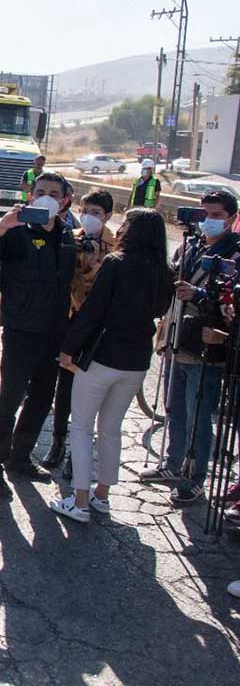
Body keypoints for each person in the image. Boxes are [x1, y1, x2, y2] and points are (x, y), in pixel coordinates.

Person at [50, 209, 174, 522]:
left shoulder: (116, 263)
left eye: (126, 224)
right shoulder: (163, 270)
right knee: (110, 429)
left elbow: (93, 310)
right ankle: (101, 495)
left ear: (134, 230)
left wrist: (68, 348)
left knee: (80, 426)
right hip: (135, 361)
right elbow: (161, 308)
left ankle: (78, 501)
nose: (120, 229)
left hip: (102, 356)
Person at [0, 171, 77, 498]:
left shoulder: (65, 233)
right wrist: (1, 228)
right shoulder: (16, 229)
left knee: (42, 398)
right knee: (11, 397)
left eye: (53, 192)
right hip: (21, 328)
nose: (46, 196)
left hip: (54, 331)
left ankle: (19, 458)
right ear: (31, 195)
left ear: (63, 200)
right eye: (41, 191)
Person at [141, 190, 240, 504]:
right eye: (204, 214)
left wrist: (196, 294)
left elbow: (230, 302)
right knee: (175, 409)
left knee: (198, 414)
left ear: (232, 218)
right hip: (177, 338)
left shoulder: (235, 254)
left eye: (216, 216)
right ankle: (173, 464)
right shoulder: (191, 245)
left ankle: (194, 477)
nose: (208, 221)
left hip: (207, 346)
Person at [41, 188, 116, 470]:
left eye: (96, 213)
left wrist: (96, 260)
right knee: (64, 389)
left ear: (108, 215)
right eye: (85, 211)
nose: (89, 217)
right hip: (68, 320)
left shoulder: (116, 245)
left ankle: (78, 452)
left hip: (97, 329)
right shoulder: (71, 239)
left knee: (90, 395)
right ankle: (58, 442)